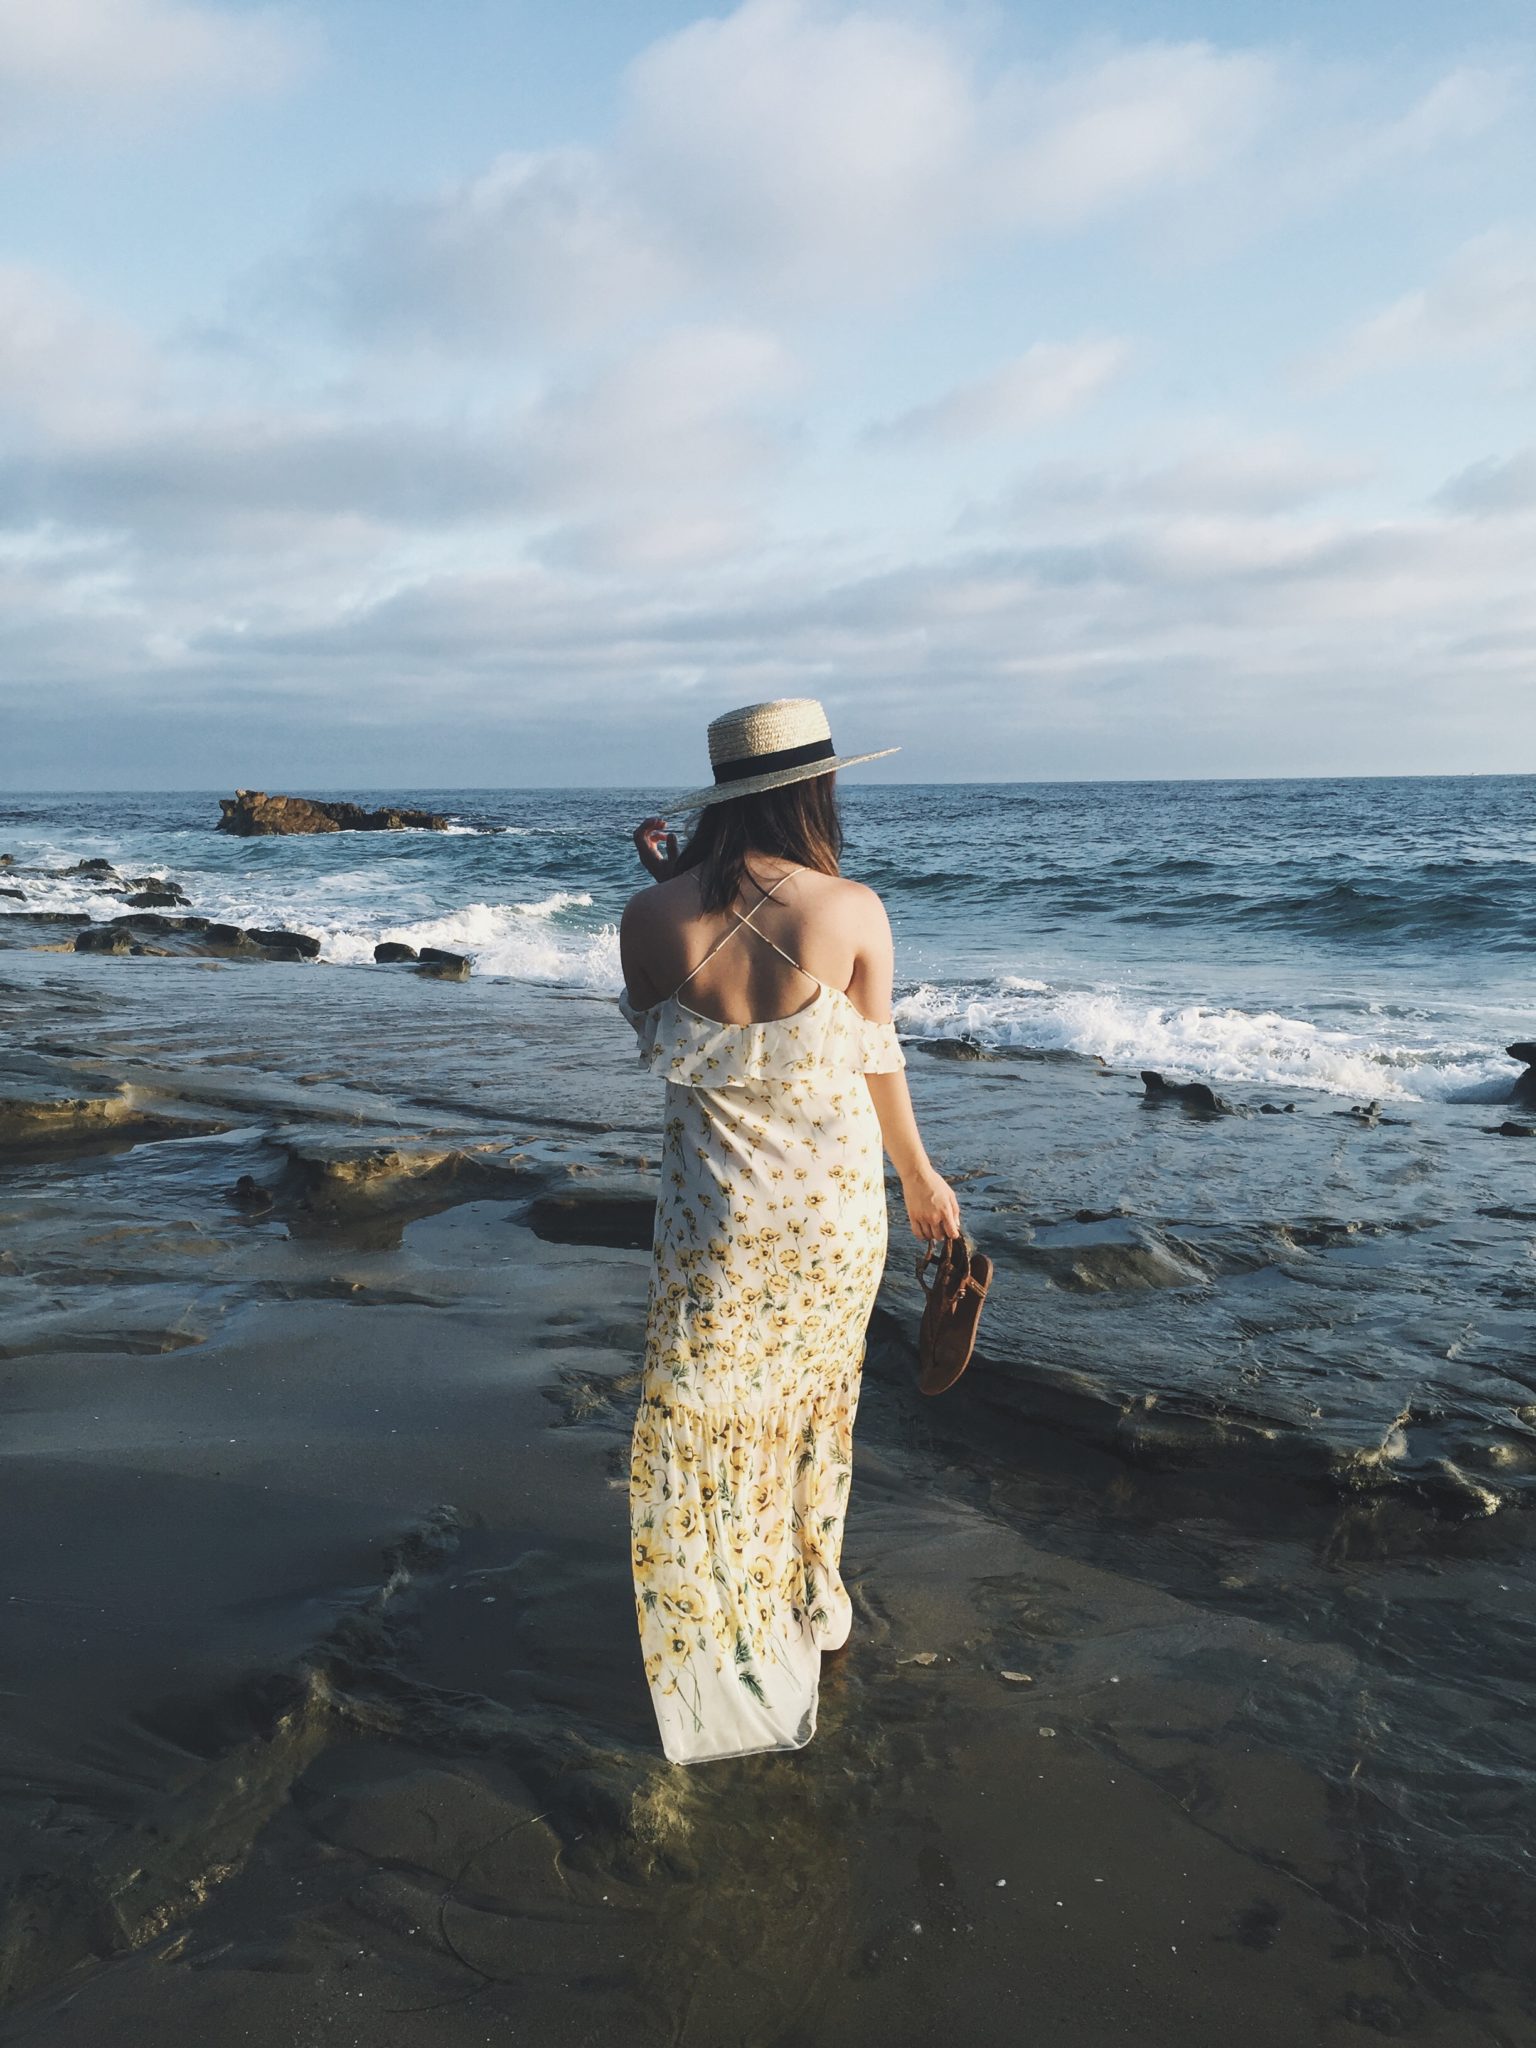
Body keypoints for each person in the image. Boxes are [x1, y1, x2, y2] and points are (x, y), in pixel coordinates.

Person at [617, 697, 961, 1764]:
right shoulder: (852, 911)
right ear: (819, 788)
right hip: (830, 1212)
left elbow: (664, 1014)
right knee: (816, 1403)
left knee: (715, 1414)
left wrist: (667, 878)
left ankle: (726, 1623)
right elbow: (875, 1057)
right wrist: (921, 1176)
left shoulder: (646, 920)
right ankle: (818, 1599)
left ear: (719, 800)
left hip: (712, 1216)